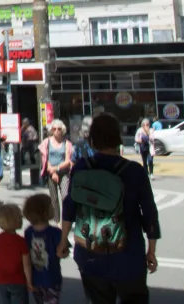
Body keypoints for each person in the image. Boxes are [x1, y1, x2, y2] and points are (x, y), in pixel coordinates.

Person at [56, 112, 160, 304]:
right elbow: (149, 212)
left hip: (90, 254)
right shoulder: (134, 171)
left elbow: (69, 206)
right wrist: (151, 249)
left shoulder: (81, 167)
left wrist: (63, 240)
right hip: (129, 254)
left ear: (93, 140)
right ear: (118, 138)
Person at [0, 202, 33, 304]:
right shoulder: (21, 241)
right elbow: (26, 265)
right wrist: (29, 282)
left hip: (1, 279)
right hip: (18, 280)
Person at [24, 194, 63, 304]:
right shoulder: (56, 233)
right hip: (52, 278)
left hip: (35, 278)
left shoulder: (28, 232)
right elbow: (62, 253)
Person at [38, 120, 73, 223]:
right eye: (54, 129)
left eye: (59, 129)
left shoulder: (67, 143)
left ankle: (66, 220)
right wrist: (52, 172)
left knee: (65, 197)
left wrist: (56, 169)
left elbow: (67, 161)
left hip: (64, 172)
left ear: (63, 130)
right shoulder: (46, 142)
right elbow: (44, 160)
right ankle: (57, 222)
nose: (57, 131)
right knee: (53, 199)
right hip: (50, 172)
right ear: (51, 130)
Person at [21, 118, 41, 187]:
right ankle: (24, 161)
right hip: (27, 144)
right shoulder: (25, 129)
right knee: (24, 154)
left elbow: (34, 137)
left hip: (30, 144)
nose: (23, 124)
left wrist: (28, 143)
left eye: (24, 123)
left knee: (30, 155)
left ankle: (31, 161)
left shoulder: (30, 129)